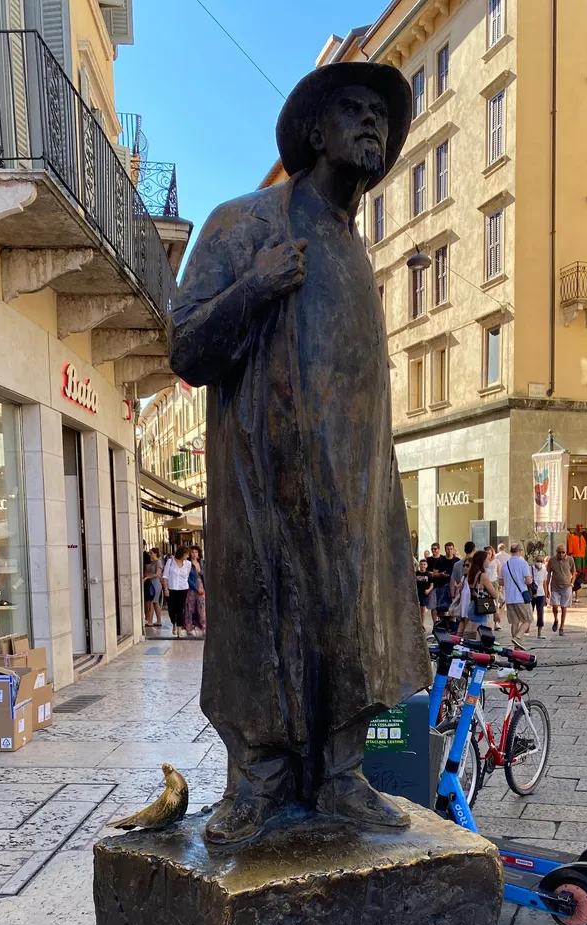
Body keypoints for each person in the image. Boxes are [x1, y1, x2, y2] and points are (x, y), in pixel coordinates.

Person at [170, 60, 431, 841]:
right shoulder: (241, 224)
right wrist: (253, 287)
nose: (371, 125)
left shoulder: (357, 254)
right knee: (262, 627)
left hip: (351, 494)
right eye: (353, 110)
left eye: (380, 116)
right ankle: (257, 781)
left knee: (354, 626)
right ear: (313, 133)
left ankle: (341, 776)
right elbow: (184, 347)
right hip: (262, 490)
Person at [460, 548, 498, 638]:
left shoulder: (471, 574)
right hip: (481, 607)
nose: (489, 561)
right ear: (483, 561)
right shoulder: (482, 576)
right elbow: (494, 594)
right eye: (487, 559)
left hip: (472, 605)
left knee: (471, 629)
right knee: (480, 632)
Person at [501, 543, 533, 646]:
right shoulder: (523, 563)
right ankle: (518, 636)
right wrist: (530, 580)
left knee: (514, 622)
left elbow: (501, 582)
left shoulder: (505, 565)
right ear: (519, 551)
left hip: (509, 598)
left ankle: (517, 647)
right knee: (528, 619)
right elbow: (528, 581)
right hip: (521, 597)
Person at [162, 544, 192, 639]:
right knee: (171, 609)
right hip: (171, 588)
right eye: (186, 554)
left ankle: (179, 628)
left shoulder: (188, 564)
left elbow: (186, 576)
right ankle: (173, 623)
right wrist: (166, 589)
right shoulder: (170, 562)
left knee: (180, 609)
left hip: (183, 589)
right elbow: (165, 576)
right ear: (181, 553)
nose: (187, 556)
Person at [545, 544, 574, 635]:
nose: (561, 554)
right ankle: (556, 619)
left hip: (566, 586)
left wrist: (572, 582)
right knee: (554, 605)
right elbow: (549, 573)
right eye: (559, 552)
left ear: (566, 552)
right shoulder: (552, 560)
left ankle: (562, 627)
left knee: (564, 607)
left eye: (563, 552)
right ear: (556, 552)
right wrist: (547, 587)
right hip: (555, 586)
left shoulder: (570, 560)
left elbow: (574, 572)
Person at [449, 540, 475, 624]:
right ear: (474, 550)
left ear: (464, 550)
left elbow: (452, 582)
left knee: (460, 619)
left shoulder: (457, 564)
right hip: (472, 595)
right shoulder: (475, 564)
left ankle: (459, 635)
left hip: (460, 594)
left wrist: (453, 596)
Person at [185, 545, 207, 639]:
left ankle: (204, 627)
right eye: (193, 552)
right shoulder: (188, 564)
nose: (194, 554)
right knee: (190, 608)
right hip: (191, 588)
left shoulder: (201, 563)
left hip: (201, 587)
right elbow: (188, 578)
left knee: (202, 607)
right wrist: (196, 587)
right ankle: (189, 627)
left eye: (196, 552)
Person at [144, 548, 164, 629]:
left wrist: (147, 577)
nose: (150, 554)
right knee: (155, 603)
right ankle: (158, 620)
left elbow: (157, 574)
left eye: (151, 553)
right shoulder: (153, 562)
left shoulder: (158, 562)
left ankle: (150, 621)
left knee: (152, 602)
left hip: (155, 583)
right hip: (151, 583)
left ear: (155, 553)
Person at [531, 553, 548, 638]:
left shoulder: (544, 571)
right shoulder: (531, 569)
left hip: (541, 594)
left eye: (541, 561)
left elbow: (545, 583)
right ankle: (526, 630)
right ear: (535, 561)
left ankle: (539, 633)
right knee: (529, 612)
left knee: (540, 613)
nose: (539, 563)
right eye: (538, 561)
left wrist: (546, 595)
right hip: (532, 594)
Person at [415, 558, 432, 626]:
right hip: (417, 594)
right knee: (417, 609)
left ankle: (422, 624)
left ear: (427, 565)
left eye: (424, 564)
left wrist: (428, 590)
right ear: (419, 565)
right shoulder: (416, 574)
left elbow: (432, 584)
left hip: (424, 595)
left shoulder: (428, 574)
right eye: (421, 564)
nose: (423, 566)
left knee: (422, 610)